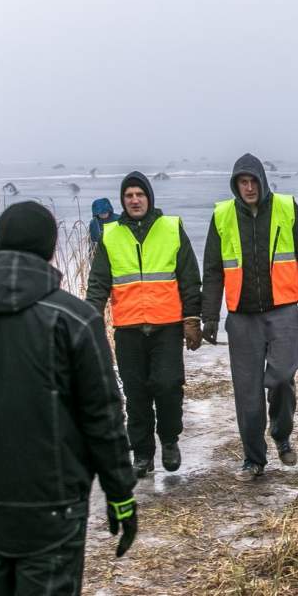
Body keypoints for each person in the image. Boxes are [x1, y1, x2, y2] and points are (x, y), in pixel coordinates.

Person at [0, 202, 137, 595]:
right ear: (50, 250)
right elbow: (103, 416)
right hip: (54, 501)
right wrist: (120, 492)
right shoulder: (73, 318)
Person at [202, 153, 298, 481]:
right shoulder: (222, 215)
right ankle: (253, 459)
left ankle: (281, 432)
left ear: (262, 181)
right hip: (242, 317)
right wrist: (208, 316)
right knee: (247, 391)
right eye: (242, 182)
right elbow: (212, 269)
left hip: (282, 312)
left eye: (252, 181)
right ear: (236, 185)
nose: (248, 188)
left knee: (280, 378)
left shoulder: (286, 209)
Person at [86, 171, 202, 478]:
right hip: (128, 328)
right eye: (128, 196)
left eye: (139, 194)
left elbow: (190, 277)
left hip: (167, 327)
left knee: (167, 386)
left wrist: (192, 317)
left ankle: (169, 440)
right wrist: (89, 319)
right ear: (123, 202)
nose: (134, 200)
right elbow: (98, 282)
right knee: (136, 393)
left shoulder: (171, 228)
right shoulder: (110, 235)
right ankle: (142, 452)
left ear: (149, 198)